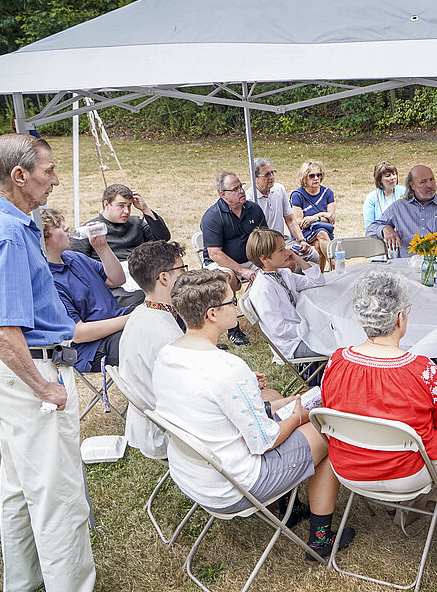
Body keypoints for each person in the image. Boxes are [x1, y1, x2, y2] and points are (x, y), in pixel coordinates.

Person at [153, 270, 354, 558]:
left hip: (194, 474)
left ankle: (291, 506)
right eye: (232, 301)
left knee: (273, 398)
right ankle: (321, 539)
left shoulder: (168, 354)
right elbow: (265, 442)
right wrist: (298, 416)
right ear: (212, 314)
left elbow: (213, 409)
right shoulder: (226, 368)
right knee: (327, 427)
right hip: (234, 485)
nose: (237, 306)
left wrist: (275, 404)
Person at [0, 133, 96, 591]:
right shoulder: (12, 232)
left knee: (19, 487)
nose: (55, 179)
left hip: (13, 374)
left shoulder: (6, 221)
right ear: (19, 176)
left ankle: (25, 582)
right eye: (49, 170)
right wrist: (44, 387)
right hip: (32, 371)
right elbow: (1, 327)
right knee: (58, 496)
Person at [321, 271, 437, 518]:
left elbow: (330, 406)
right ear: (399, 318)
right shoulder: (422, 369)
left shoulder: (336, 361)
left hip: (348, 468)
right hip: (408, 474)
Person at [119, 240, 189, 459]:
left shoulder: (140, 313)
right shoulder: (165, 335)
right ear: (165, 278)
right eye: (182, 269)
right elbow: (191, 395)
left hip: (148, 426)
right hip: (167, 433)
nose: (186, 275)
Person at [43, 207, 131, 373]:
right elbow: (79, 333)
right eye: (57, 226)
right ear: (44, 239)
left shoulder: (74, 257)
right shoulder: (48, 280)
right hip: (91, 348)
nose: (66, 228)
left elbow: (117, 280)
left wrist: (102, 247)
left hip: (117, 321)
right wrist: (131, 319)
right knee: (145, 339)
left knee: (166, 315)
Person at [70, 183, 170, 306]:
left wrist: (145, 209)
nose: (126, 211)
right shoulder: (91, 230)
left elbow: (162, 238)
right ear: (107, 204)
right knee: (141, 298)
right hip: (113, 286)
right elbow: (77, 264)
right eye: (121, 206)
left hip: (143, 276)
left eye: (129, 206)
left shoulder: (136, 223)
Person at [199, 170, 267, 346]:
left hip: (251, 259)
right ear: (223, 195)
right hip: (220, 263)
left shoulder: (254, 209)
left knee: (282, 266)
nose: (241, 191)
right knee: (226, 278)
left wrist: (264, 261)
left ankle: (269, 313)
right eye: (235, 189)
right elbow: (215, 253)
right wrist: (242, 271)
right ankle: (233, 328)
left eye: (241, 186)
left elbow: (264, 239)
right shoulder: (212, 216)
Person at [245, 228, 328, 360]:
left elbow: (317, 281)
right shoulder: (263, 289)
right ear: (264, 258)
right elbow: (279, 329)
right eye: (281, 250)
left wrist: (298, 260)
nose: (287, 252)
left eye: (285, 247)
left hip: (304, 333)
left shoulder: (283, 274)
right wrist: (310, 328)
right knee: (339, 346)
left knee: (339, 334)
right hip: (291, 345)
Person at [365, 164, 437, 256]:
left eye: (431, 179)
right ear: (412, 186)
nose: (430, 185)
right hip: (407, 268)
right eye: (423, 182)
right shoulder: (399, 207)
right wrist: (384, 229)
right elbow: (371, 229)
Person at [252, 158, 319, 267]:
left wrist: (302, 240)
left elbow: (290, 219)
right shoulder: (250, 198)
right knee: (289, 263)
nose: (272, 177)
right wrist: (282, 250)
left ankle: (301, 282)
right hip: (265, 246)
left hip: (282, 239)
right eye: (267, 175)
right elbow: (255, 237)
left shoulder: (279, 189)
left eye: (273, 172)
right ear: (255, 178)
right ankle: (288, 282)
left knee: (313, 255)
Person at [290, 160, 335, 272]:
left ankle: (318, 276)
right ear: (304, 177)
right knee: (322, 234)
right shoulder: (297, 195)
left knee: (319, 246)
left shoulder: (327, 193)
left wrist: (315, 217)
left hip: (323, 229)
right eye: (312, 176)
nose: (316, 178)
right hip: (305, 232)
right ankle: (336, 268)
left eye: (319, 175)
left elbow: (332, 219)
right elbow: (300, 222)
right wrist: (324, 216)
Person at [363, 160, 406, 228]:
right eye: (388, 176)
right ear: (380, 179)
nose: (393, 178)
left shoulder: (405, 192)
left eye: (394, 174)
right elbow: (369, 226)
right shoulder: (371, 198)